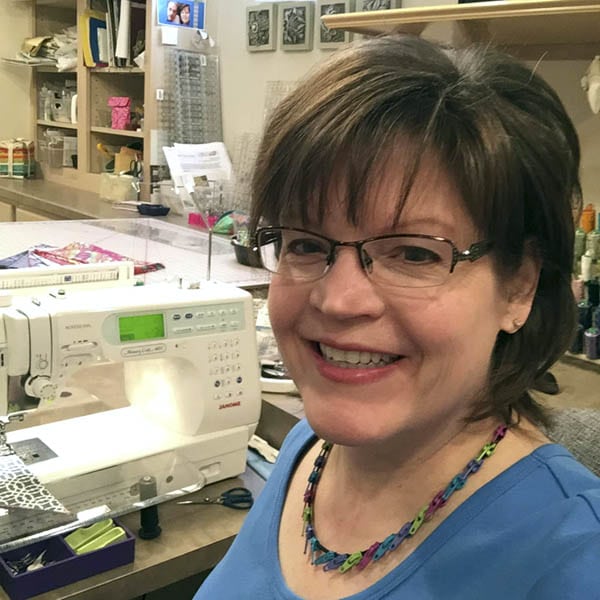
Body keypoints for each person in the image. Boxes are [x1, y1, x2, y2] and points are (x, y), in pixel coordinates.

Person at [194, 34, 600, 599]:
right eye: (306, 244)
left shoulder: (577, 562)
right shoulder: (309, 449)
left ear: (519, 287)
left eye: (414, 253)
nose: (339, 300)